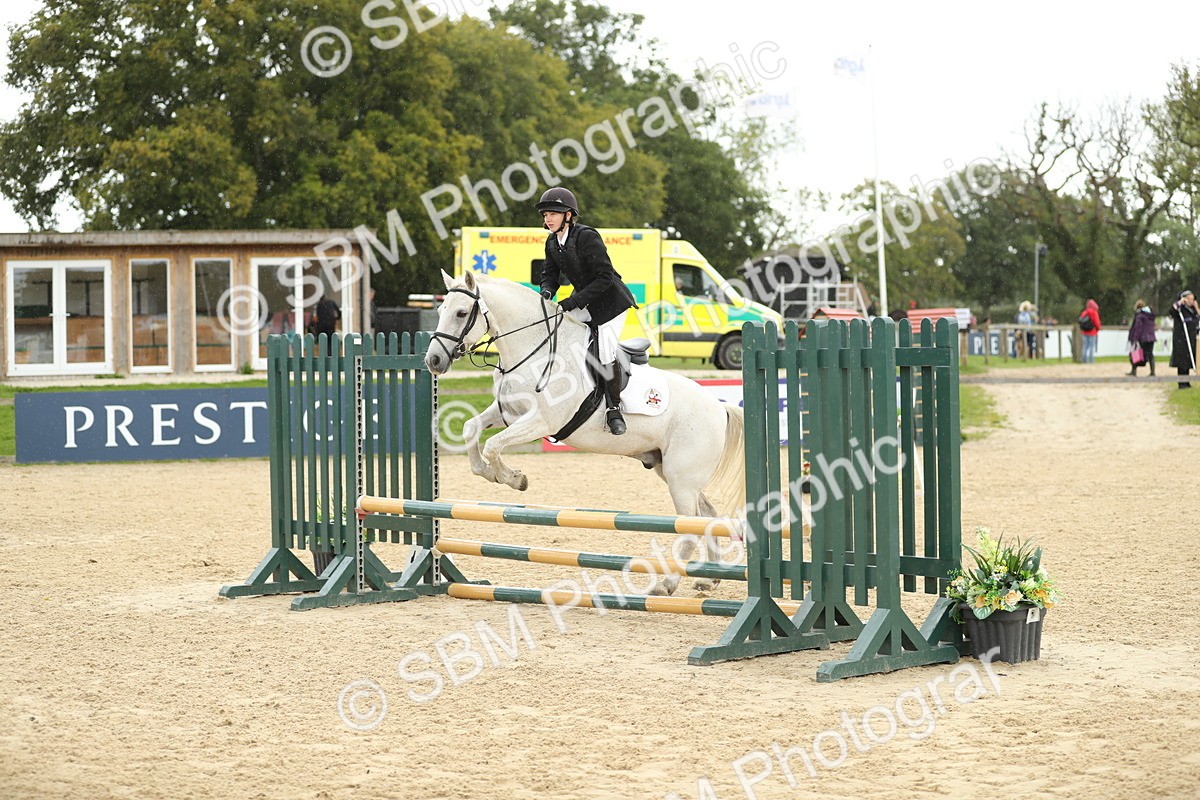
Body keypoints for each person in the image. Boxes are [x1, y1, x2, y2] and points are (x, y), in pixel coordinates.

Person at [536, 187, 638, 435]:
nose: (548, 218)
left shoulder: (587, 237)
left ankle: (614, 409)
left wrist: (571, 303)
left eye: (554, 214)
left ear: (568, 215)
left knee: (604, 352)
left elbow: (604, 278)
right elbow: (549, 275)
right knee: (557, 331)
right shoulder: (552, 241)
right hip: (586, 301)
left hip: (611, 304)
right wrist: (547, 293)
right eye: (546, 214)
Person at [1169, 290, 1199, 389]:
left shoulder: (1193, 310)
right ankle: (1181, 383)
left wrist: (1196, 307)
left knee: (1188, 361)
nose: (1191, 301)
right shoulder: (1180, 309)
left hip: (1190, 339)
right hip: (1181, 339)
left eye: (1192, 299)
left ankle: (1186, 382)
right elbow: (1172, 311)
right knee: (1181, 362)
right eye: (1189, 299)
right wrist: (1179, 302)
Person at [1125, 300, 1157, 376]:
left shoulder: (1139, 315)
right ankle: (1152, 372)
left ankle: (1134, 370)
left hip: (1143, 338)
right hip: (1151, 338)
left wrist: (1135, 338)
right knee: (1150, 355)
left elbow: (1137, 327)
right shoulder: (1150, 315)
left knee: (1134, 353)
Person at [1079, 299, 1101, 363]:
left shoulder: (1085, 312)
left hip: (1085, 332)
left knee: (1084, 347)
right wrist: (1098, 329)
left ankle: (1084, 361)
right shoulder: (1094, 312)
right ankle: (1091, 361)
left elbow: (1081, 320)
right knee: (1091, 347)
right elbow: (1097, 323)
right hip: (1092, 332)